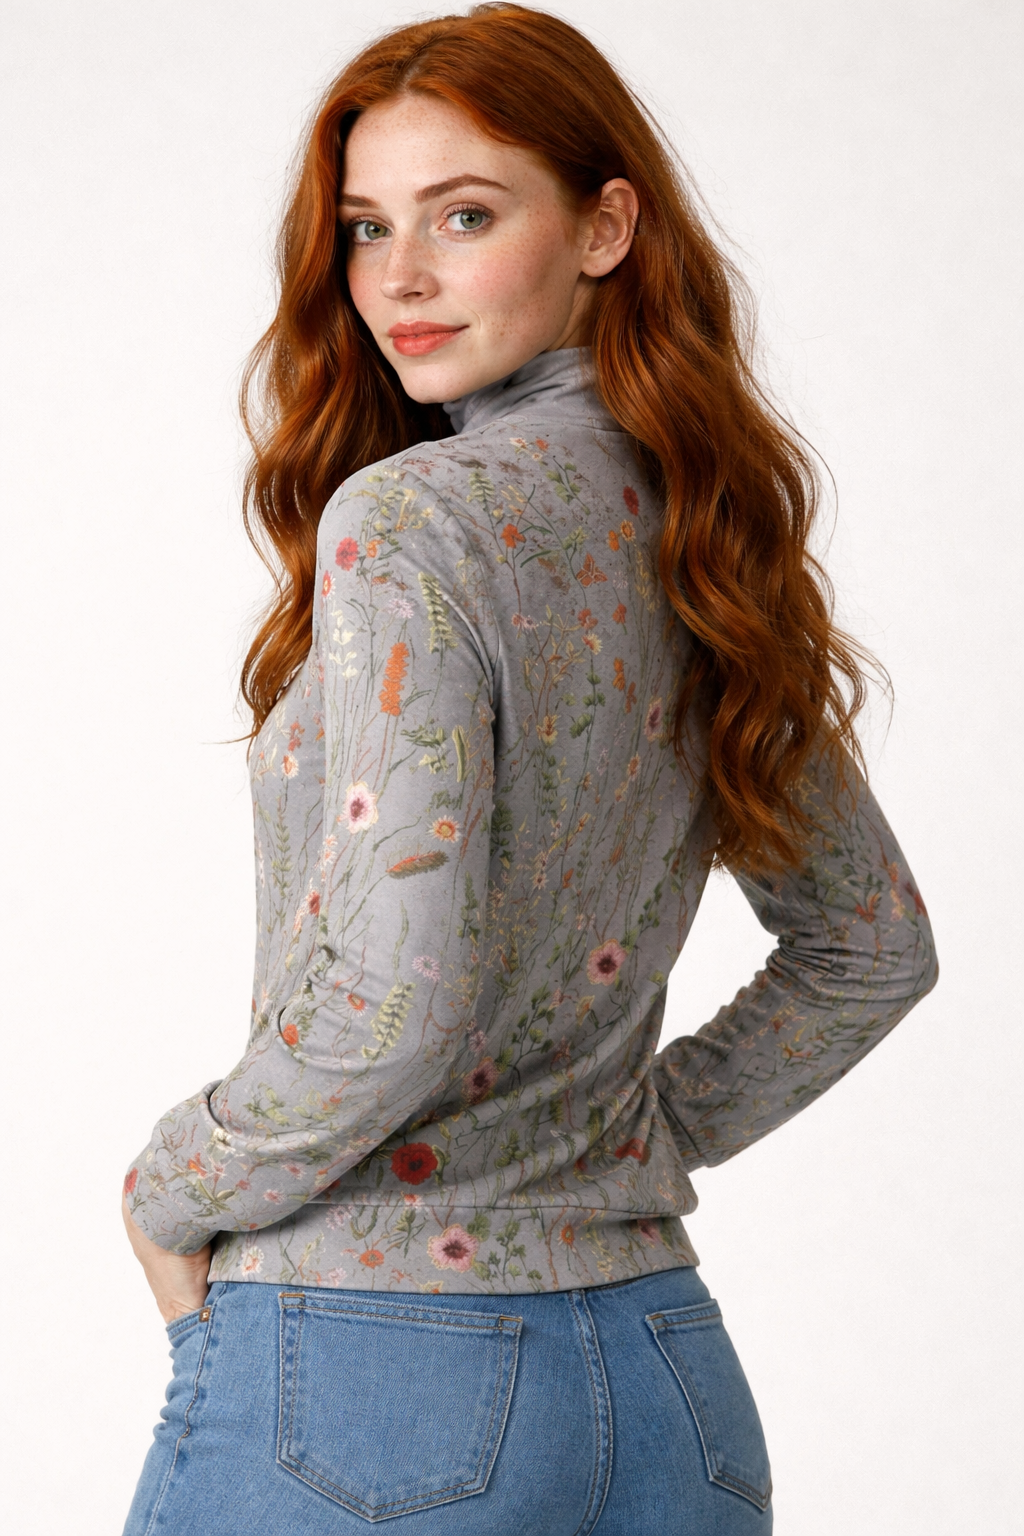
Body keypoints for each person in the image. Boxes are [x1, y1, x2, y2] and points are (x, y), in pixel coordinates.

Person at [120, 7, 938, 1533]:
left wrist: (173, 1183)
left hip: (372, 1378)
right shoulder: (701, 532)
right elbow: (871, 944)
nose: (399, 279)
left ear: (606, 227)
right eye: (368, 229)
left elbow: (392, 1002)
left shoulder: (411, 520)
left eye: (466, 216)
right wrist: (624, 1146)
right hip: (664, 1383)